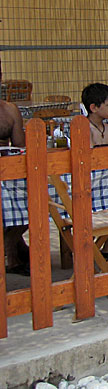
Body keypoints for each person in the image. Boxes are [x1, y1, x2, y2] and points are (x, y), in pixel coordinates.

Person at [1, 61, 27, 275]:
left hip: (9, 172)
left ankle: (13, 246)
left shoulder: (10, 110)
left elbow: (20, 146)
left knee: (38, 198)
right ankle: (14, 251)